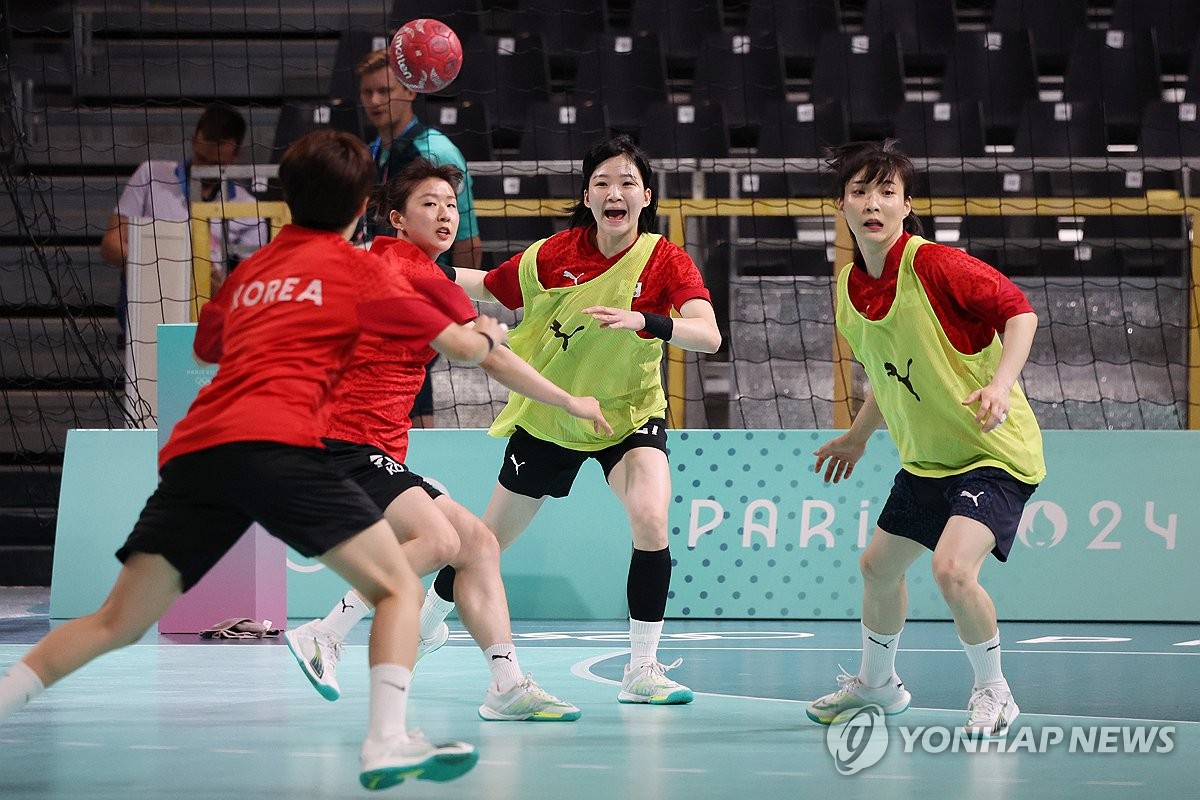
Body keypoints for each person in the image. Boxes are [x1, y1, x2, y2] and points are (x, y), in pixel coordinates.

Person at [0, 130, 503, 791]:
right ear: (362, 206)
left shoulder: (251, 269)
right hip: (283, 446)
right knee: (398, 587)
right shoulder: (362, 269)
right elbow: (460, 348)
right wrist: (485, 333)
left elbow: (208, 349)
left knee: (115, 622)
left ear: (288, 200)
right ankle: (385, 742)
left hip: (200, 448)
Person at [284, 157, 612, 722]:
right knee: (437, 541)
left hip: (368, 447)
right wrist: (569, 400)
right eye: (427, 204)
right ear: (396, 219)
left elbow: (477, 313)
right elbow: (495, 359)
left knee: (479, 545)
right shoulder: (416, 272)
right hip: (342, 443)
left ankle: (506, 684)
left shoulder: (397, 263)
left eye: (449, 205)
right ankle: (325, 631)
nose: (443, 214)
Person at [417, 135, 722, 705]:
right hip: (552, 416)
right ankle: (429, 619)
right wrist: (414, 267)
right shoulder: (554, 254)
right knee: (484, 542)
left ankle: (643, 670)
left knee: (651, 520)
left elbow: (709, 334)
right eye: (603, 182)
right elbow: (487, 286)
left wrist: (646, 321)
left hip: (627, 417)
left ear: (645, 196)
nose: (615, 192)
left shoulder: (664, 259)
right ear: (587, 195)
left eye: (628, 182)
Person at [804, 140, 1045, 739]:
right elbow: (888, 379)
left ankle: (995, 691)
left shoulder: (935, 264)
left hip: (994, 452)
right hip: (928, 462)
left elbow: (1021, 312)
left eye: (887, 192)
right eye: (860, 192)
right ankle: (879, 686)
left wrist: (999, 383)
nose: (873, 203)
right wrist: (858, 439)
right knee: (877, 568)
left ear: (907, 204)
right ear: (842, 205)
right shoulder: (848, 289)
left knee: (952, 571)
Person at [356, 47, 483, 428]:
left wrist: (453, 298)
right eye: (368, 92)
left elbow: (467, 236)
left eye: (386, 90)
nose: (376, 101)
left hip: (422, 297)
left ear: (411, 91)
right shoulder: (373, 151)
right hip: (381, 295)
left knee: (413, 400)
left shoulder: (436, 151)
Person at [99, 102, 267, 330]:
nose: (204, 168)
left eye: (214, 163)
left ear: (236, 154)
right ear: (193, 140)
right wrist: (163, 267)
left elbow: (250, 291)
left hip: (212, 318)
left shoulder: (248, 209)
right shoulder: (151, 175)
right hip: (149, 308)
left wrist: (217, 284)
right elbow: (110, 246)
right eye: (200, 157)